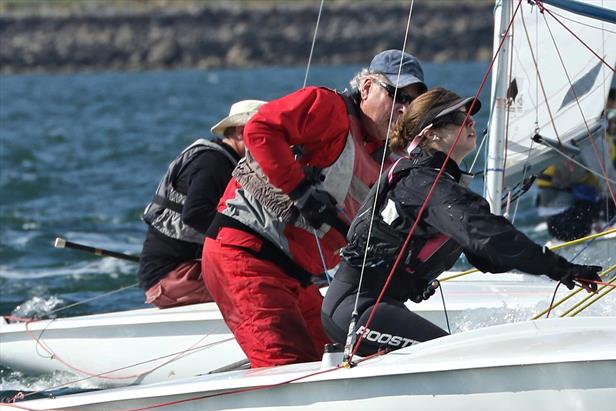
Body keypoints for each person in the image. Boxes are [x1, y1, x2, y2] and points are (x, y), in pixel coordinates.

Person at [321, 88, 603, 356]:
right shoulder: (424, 184)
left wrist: (527, 257)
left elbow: (488, 254)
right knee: (453, 357)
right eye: (458, 117)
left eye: (470, 116)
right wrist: (560, 268)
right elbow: (489, 237)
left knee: (452, 354)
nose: (470, 121)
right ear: (430, 134)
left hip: (373, 307)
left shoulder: (437, 184)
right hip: (355, 310)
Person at [201, 50, 428, 368]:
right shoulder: (329, 108)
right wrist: (301, 190)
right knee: (288, 367)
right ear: (366, 88)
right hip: (246, 257)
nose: (403, 108)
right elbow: (259, 130)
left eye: (413, 102)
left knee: (334, 362)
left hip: (294, 276)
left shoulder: (382, 157)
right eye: (396, 95)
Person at [138, 100, 265, 308]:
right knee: (270, 284)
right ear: (241, 132)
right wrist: (250, 243)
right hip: (172, 278)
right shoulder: (212, 163)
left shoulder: (228, 163)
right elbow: (195, 214)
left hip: (186, 270)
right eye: (265, 134)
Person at [534, 88, 616, 241]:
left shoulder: (604, 139)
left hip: (574, 205)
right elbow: (612, 185)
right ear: (601, 112)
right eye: (612, 114)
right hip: (564, 213)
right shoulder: (591, 138)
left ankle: (600, 224)